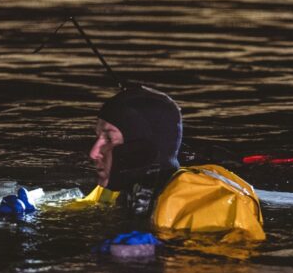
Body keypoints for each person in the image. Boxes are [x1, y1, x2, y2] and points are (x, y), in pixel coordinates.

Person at [81, 84, 266, 241]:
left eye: (109, 138)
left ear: (141, 145)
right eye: (97, 136)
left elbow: (230, 268)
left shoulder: (211, 205)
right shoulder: (115, 191)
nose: (93, 153)